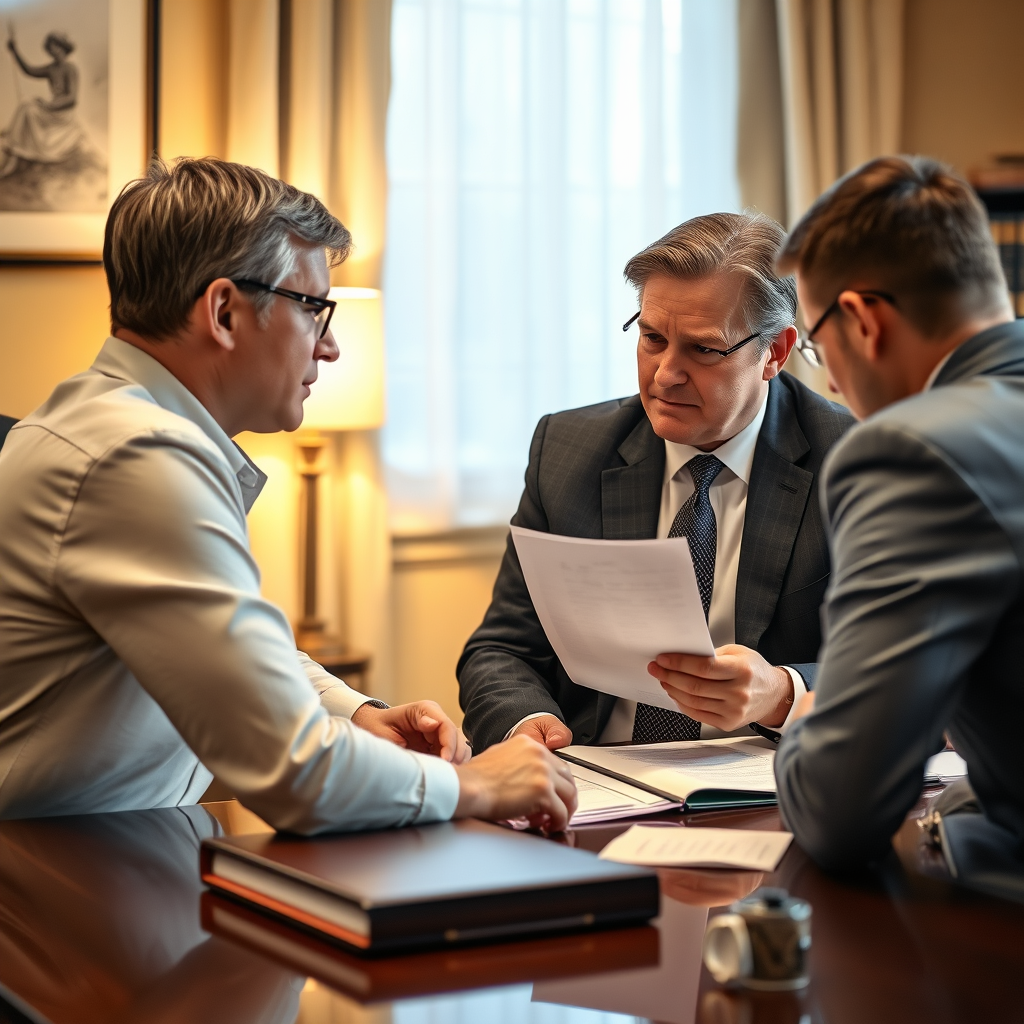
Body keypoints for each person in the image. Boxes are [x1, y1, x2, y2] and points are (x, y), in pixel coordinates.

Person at [0, 157, 576, 833]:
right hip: (53, 873)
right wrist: (471, 783)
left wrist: (356, 713)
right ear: (224, 311)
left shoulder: (104, 424)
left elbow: (224, 658)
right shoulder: (137, 457)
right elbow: (294, 771)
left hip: (111, 850)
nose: (329, 348)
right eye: (313, 310)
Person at [458, 212, 854, 752]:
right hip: (598, 775)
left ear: (775, 353)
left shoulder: (858, 464)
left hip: (772, 780)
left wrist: (784, 694)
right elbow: (503, 650)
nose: (666, 374)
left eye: (704, 349)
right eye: (651, 337)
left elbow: (915, 671)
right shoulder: (569, 450)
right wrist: (528, 726)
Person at [771, 155, 1024, 887]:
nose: (830, 380)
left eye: (818, 346)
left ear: (862, 319)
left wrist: (807, 718)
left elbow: (837, 808)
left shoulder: (911, 450)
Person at [0, 30, 87, 178]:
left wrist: (48, 106)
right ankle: (13, 148)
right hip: (51, 109)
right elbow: (29, 71)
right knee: (26, 105)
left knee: (30, 109)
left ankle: (13, 148)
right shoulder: (51, 68)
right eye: (51, 47)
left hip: (62, 113)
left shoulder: (70, 68)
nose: (54, 50)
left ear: (63, 48)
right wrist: (15, 52)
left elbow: (71, 98)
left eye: (56, 46)